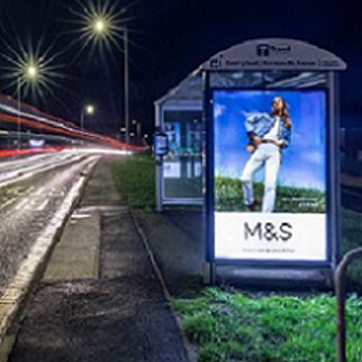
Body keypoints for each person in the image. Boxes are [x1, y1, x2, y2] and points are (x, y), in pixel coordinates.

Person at [241, 96, 292, 212]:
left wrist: (282, 142)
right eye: (273, 103)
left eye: (278, 103)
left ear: (283, 105)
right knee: (245, 177)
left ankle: (266, 214)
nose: (275, 105)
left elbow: (288, 141)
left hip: (274, 151)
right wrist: (254, 136)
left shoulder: (286, 123)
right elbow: (248, 121)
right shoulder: (264, 116)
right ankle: (250, 202)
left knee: (270, 185)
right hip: (261, 147)